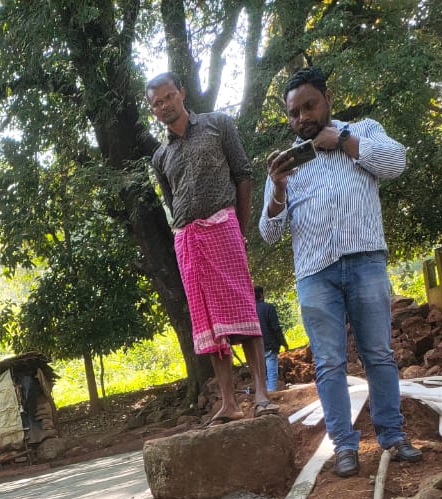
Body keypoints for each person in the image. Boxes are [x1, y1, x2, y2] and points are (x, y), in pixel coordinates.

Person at [259, 66, 421, 478]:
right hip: (315, 272)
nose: (302, 118)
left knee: (378, 354)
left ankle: (392, 435)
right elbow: (269, 233)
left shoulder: (364, 130)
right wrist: (277, 188)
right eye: (294, 113)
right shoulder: (286, 164)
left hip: (366, 259)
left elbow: (396, 162)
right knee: (329, 363)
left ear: (327, 99)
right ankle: (344, 446)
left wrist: (345, 140)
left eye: (309, 106)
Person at [147, 71, 276, 425]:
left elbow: (243, 175)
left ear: (181, 93)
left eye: (168, 97)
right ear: (152, 110)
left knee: (244, 309)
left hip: (223, 228)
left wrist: (239, 228)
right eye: (156, 103)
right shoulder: (160, 157)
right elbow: (172, 202)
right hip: (188, 241)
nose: (164, 105)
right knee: (209, 322)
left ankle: (261, 395)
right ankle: (229, 402)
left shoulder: (218, 125)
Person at [254, 286, 289, 391]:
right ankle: (272, 393)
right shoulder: (269, 308)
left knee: (262, 373)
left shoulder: (250, 311)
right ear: (261, 295)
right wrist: (283, 342)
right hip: (270, 345)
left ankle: (264, 393)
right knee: (272, 372)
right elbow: (275, 327)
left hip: (256, 348)